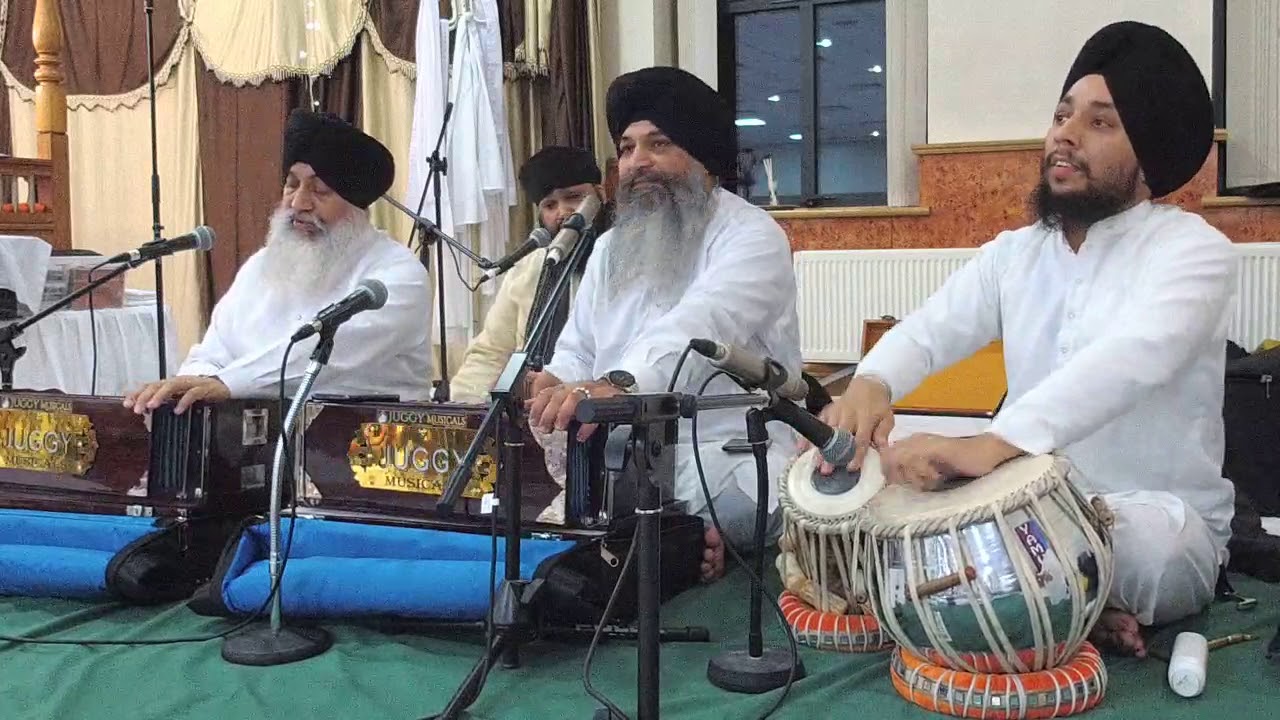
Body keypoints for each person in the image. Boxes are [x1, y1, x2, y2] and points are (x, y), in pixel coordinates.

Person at [817, 21, 1236, 658]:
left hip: (1149, 517)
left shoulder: (1194, 252)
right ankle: (1071, 605)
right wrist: (871, 385)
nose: (1065, 135)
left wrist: (995, 443)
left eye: (1101, 123)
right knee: (894, 476)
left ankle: (1054, 594)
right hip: (1022, 508)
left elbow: (1132, 360)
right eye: (1062, 115)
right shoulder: (1016, 255)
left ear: (1146, 157)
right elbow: (931, 329)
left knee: (1154, 549)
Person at [527, 66, 803, 582]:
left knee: (697, 511)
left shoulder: (750, 235)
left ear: (704, 159)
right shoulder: (610, 247)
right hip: (617, 455)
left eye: (659, 143)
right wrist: (554, 380)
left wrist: (621, 385)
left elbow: (701, 329)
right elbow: (579, 347)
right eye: (627, 148)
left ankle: (682, 545)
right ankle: (676, 548)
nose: (638, 162)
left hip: (726, 451)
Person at [125, 110, 434, 414]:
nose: (298, 203)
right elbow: (213, 353)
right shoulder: (262, 267)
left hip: (366, 453)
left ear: (356, 207)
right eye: (291, 184)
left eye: (320, 190)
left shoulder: (397, 277)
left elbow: (324, 356)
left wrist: (226, 383)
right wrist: (188, 385)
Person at [450, 146, 610, 402]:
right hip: (530, 418)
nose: (563, 212)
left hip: (597, 409)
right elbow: (490, 353)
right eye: (550, 205)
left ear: (601, 195)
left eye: (574, 197)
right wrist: (471, 411)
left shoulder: (623, 259)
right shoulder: (531, 268)